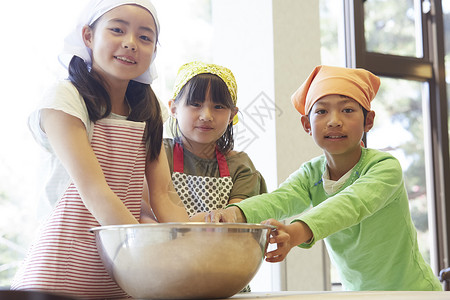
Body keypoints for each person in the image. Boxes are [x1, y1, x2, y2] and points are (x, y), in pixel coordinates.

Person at [207, 65, 442, 291]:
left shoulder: (384, 167)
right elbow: (279, 199)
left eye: (347, 110)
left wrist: (296, 232)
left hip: (413, 291)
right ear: (307, 124)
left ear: (368, 120)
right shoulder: (311, 174)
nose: (334, 121)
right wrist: (230, 215)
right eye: (321, 111)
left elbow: (350, 204)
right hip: (359, 294)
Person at [11, 0, 189, 298]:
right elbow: (96, 192)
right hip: (60, 274)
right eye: (117, 30)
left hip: (120, 275)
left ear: (155, 49)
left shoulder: (150, 109)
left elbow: (163, 194)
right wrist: (149, 258)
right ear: (88, 37)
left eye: (145, 37)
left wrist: (192, 247)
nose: (131, 44)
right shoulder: (65, 99)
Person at [165, 61, 267, 222]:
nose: (206, 116)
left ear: (232, 115)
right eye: (195, 104)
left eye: (218, 106)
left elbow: (233, 222)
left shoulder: (241, 166)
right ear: (173, 109)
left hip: (224, 247)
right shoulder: (159, 155)